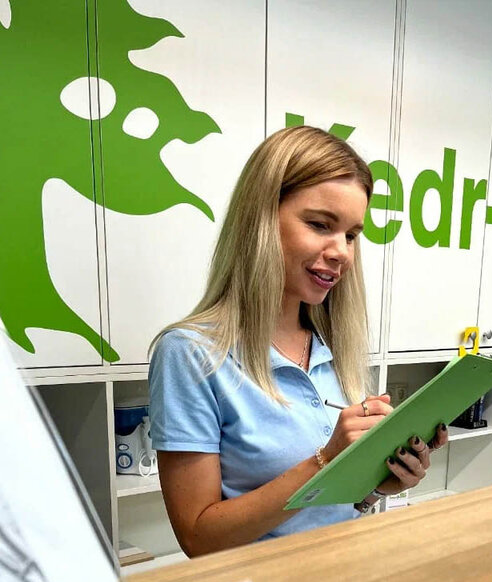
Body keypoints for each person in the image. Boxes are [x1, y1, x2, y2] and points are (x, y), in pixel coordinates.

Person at [149, 125, 447, 556]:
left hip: (341, 574)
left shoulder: (332, 347)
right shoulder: (191, 353)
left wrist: (378, 486)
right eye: (320, 225)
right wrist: (324, 461)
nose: (342, 252)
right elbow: (199, 538)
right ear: (260, 220)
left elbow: (330, 510)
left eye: (351, 235)